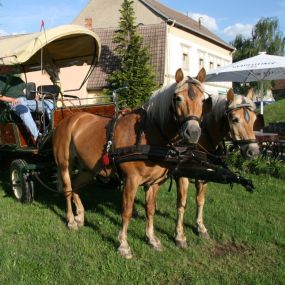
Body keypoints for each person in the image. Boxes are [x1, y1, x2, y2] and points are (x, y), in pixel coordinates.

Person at [0, 74, 54, 143]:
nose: (12, 67)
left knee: (49, 103)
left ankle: (49, 131)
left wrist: (34, 96)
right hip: (15, 102)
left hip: (27, 100)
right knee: (24, 110)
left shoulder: (17, 79)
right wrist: (12, 100)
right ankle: (38, 136)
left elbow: (26, 90)